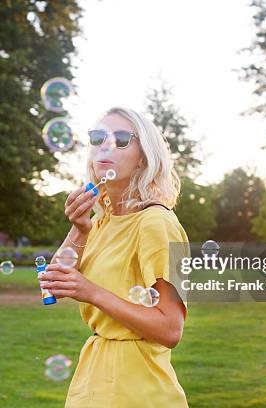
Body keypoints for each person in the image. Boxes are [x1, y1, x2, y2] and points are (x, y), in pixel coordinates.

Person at [38, 106, 190, 407]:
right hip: (93, 380)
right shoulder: (101, 222)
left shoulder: (155, 222)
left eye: (122, 139)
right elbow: (50, 287)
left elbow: (170, 329)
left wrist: (92, 292)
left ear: (143, 157)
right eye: (97, 138)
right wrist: (80, 230)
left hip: (138, 387)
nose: (106, 146)